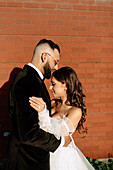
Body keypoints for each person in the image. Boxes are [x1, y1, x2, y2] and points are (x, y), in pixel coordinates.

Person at [7, 39, 70, 170]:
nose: (56, 67)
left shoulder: (33, 80)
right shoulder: (27, 82)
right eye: (55, 61)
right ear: (44, 56)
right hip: (27, 161)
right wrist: (59, 142)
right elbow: (29, 132)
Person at [29, 67, 95, 170]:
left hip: (61, 156)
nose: (50, 88)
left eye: (54, 84)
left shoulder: (75, 111)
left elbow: (57, 133)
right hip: (44, 150)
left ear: (66, 86)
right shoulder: (52, 103)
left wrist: (42, 112)